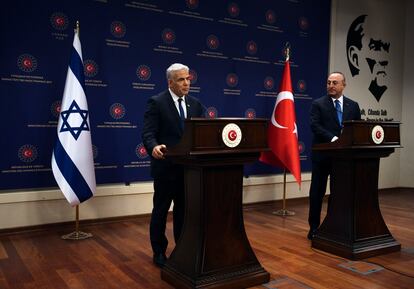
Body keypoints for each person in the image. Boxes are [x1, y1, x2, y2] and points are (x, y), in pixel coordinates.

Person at [141, 63, 205, 267]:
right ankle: (159, 251)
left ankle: (182, 248)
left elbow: (201, 132)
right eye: (181, 79)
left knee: (183, 212)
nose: (186, 83)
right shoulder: (157, 102)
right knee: (161, 210)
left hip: (188, 170)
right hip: (165, 168)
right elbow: (148, 133)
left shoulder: (195, 104)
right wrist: (153, 147)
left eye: (188, 79)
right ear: (170, 82)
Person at [307, 72, 361, 240]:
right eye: (329, 82)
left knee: (339, 193)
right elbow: (314, 126)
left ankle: (333, 225)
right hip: (323, 156)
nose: (331, 85)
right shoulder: (318, 104)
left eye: (335, 83)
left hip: (343, 159)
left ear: (343, 85)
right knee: (317, 193)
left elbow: (357, 127)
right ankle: (314, 228)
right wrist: (333, 139)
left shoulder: (353, 106)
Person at [346, 14, 390, 102]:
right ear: (355, 57)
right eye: (375, 48)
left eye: (386, 48)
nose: (384, 59)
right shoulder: (349, 100)